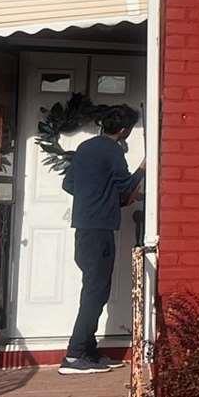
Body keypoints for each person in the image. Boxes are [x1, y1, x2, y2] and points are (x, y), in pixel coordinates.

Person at [60, 105, 143, 375]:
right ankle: (74, 356)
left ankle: (88, 350)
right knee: (96, 292)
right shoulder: (113, 150)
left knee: (93, 289)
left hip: (85, 228)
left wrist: (98, 198)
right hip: (99, 230)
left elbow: (69, 184)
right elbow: (125, 187)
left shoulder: (85, 147)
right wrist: (144, 168)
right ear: (124, 130)